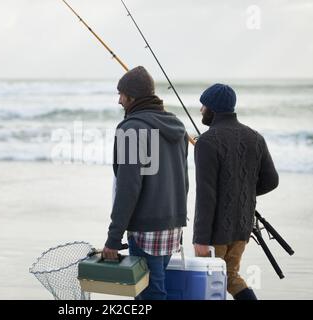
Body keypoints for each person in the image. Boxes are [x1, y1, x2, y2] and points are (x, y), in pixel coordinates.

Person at [101, 66, 189, 300]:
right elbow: (183, 179)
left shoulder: (131, 129)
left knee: (150, 294)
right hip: (172, 227)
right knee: (158, 288)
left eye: (122, 94)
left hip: (146, 230)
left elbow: (128, 187)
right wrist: (179, 218)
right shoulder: (178, 127)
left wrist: (113, 238)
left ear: (133, 96)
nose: (119, 100)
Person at [193, 83, 279, 300]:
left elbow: (206, 195)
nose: (201, 110)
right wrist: (241, 193)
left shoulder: (207, 141)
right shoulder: (256, 138)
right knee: (230, 276)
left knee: (209, 281)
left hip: (215, 232)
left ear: (213, 108)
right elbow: (271, 181)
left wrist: (200, 239)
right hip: (242, 225)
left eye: (204, 106)